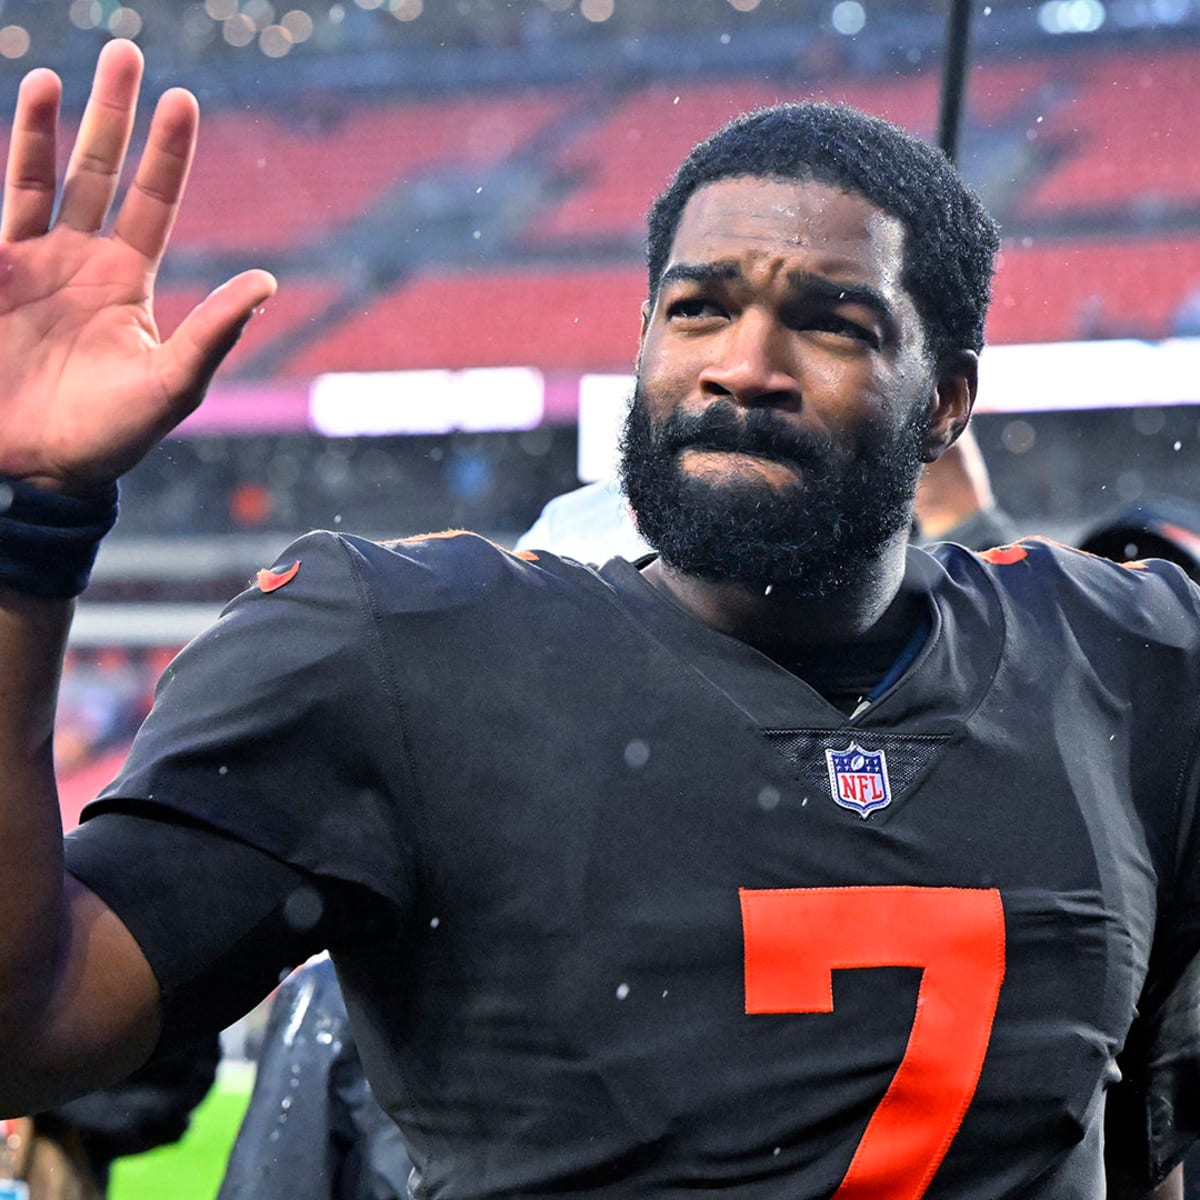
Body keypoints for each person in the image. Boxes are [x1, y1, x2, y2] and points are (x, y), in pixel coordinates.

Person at [0, 38, 1193, 1200]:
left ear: (947, 404)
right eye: (698, 308)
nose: (744, 363)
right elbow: (31, 1021)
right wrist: (32, 521)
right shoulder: (405, 658)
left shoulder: (1128, 668)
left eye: (832, 320)